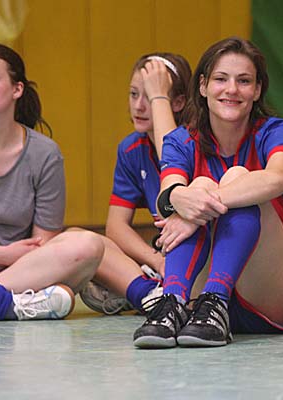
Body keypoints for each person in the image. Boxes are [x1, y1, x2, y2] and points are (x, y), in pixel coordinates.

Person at [133, 37, 283, 348]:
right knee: (198, 186)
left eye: (243, 81)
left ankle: (217, 298)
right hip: (200, 310)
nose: (231, 89)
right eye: (221, 79)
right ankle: (173, 302)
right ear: (203, 86)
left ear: (257, 90)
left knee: (234, 179)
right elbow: (168, 193)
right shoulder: (182, 139)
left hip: (279, 295)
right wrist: (183, 198)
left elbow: (277, 179)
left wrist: (198, 207)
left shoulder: (275, 131)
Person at [0, 43, 104, 322]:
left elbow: (42, 243)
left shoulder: (45, 154)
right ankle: (7, 303)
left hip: (22, 268)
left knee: (89, 245)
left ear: (17, 89)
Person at [78, 53, 192, 315]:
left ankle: (136, 289)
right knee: (81, 241)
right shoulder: (131, 149)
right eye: (133, 94)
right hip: (163, 258)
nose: (139, 106)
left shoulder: (193, 141)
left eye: (150, 97)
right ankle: (150, 291)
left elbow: (172, 159)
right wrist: (156, 261)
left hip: (197, 256)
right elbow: (116, 227)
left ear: (177, 102)